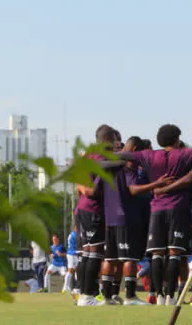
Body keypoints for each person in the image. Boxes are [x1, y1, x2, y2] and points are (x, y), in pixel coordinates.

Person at [115, 124, 192, 306]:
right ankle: (170, 297)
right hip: (178, 209)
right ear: (177, 139)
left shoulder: (149, 155)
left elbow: (124, 155)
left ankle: (158, 296)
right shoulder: (185, 154)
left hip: (156, 210)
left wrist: (96, 155)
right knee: (174, 254)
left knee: (157, 254)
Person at [100, 136, 174, 306]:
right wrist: (156, 184)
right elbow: (132, 189)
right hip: (124, 217)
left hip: (110, 217)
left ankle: (106, 298)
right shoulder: (128, 165)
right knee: (129, 259)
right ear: (135, 151)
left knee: (110, 259)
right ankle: (130, 297)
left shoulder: (110, 163)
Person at [75, 125, 119, 307]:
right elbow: (92, 191)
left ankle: (85, 294)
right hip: (93, 210)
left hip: (82, 209)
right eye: (115, 140)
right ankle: (87, 295)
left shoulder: (88, 156)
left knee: (87, 253)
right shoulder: (101, 159)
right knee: (95, 253)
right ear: (108, 140)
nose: (117, 144)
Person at [64, 226, 79, 294]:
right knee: (70, 270)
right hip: (72, 254)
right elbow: (77, 245)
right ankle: (65, 287)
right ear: (75, 228)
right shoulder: (75, 235)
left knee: (77, 270)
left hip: (73, 254)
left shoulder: (72, 234)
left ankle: (78, 286)